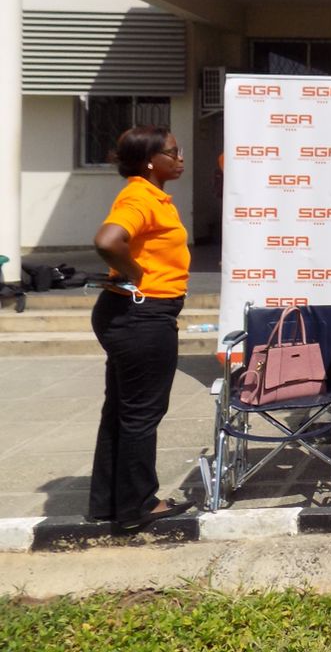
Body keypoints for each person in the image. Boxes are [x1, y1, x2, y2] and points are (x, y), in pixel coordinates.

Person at [89, 126, 193, 532]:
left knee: (121, 409)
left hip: (132, 313)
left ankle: (110, 503)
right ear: (151, 161)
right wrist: (136, 273)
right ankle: (138, 505)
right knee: (141, 414)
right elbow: (108, 240)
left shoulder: (150, 195)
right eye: (173, 151)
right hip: (143, 315)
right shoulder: (139, 196)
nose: (180, 157)